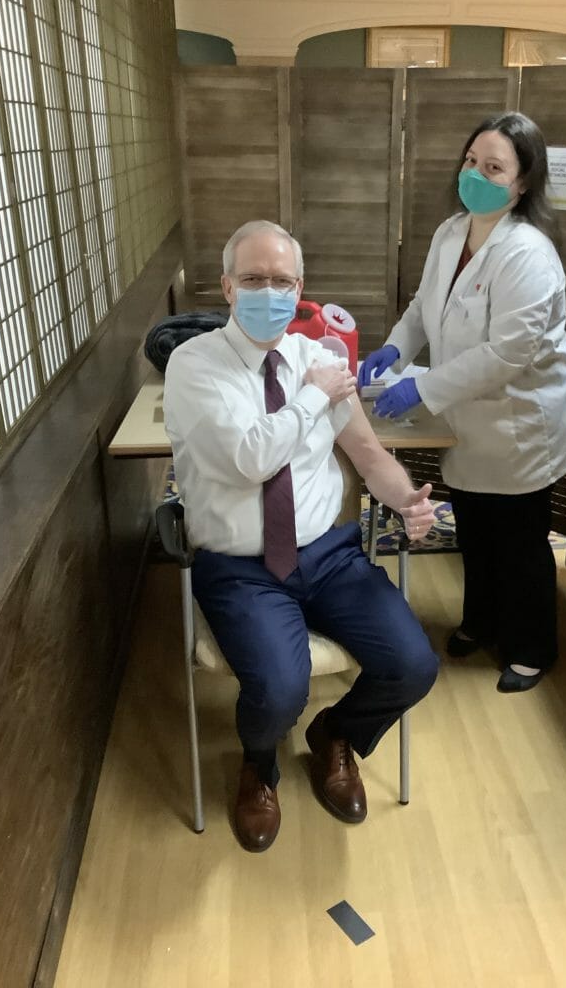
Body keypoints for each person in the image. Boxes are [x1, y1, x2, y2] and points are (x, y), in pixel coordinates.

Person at [163, 220, 439, 853]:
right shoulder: (193, 365)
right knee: (280, 687)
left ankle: (334, 737)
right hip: (239, 566)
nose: (269, 292)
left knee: (413, 664)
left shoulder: (320, 360)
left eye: (282, 281)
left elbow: (368, 455)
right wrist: (312, 398)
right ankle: (259, 765)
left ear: (300, 288)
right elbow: (249, 459)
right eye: (254, 280)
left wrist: (406, 501)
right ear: (227, 288)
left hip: (327, 553)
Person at [359, 112, 566, 694]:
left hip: (518, 425)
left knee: (520, 543)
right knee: (475, 530)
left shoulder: (528, 254)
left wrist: (422, 388)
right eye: (471, 161)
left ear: (523, 182)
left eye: (494, 167)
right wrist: (394, 349)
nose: (476, 174)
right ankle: (480, 622)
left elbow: (507, 355)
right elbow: (422, 306)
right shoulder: (451, 231)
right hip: (468, 419)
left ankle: (532, 647)